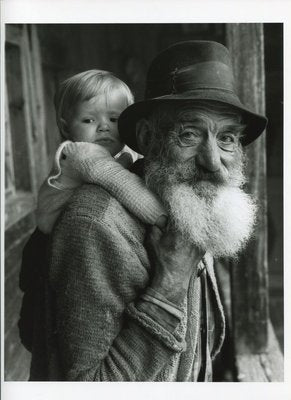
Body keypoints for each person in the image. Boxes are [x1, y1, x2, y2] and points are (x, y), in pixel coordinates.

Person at [28, 40, 267, 381]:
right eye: (189, 134)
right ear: (147, 136)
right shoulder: (95, 224)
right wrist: (169, 284)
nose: (214, 163)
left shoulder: (191, 205)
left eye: (227, 137)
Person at [36, 69, 166, 234]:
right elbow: (123, 183)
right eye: (89, 120)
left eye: (114, 119)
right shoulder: (81, 154)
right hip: (59, 230)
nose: (104, 127)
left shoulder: (121, 149)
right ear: (66, 128)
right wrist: (163, 219)